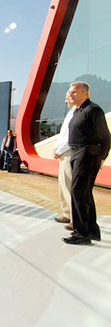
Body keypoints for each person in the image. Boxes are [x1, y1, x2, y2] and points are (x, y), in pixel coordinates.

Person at [62, 81, 110, 245]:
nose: (70, 95)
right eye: (70, 92)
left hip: (87, 154)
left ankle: (81, 233)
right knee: (84, 193)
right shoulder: (77, 111)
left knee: (78, 191)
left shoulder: (93, 110)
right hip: (76, 153)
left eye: (74, 92)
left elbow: (105, 137)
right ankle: (92, 230)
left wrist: (101, 157)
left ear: (85, 93)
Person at [52, 91, 76, 225]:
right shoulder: (70, 113)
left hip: (68, 152)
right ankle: (66, 213)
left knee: (69, 184)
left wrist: (59, 150)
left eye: (68, 98)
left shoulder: (76, 113)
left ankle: (74, 217)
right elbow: (62, 135)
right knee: (63, 183)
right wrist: (56, 147)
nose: (66, 100)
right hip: (62, 153)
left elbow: (70, 137)